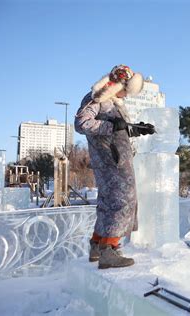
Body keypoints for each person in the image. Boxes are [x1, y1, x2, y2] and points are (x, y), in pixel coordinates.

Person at [75, 65, 155, 269]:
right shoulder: (97, 98)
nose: (126, 96)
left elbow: (119, 129)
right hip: (110, 160)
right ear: (117, 84)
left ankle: (98, 245)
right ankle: (109, 251)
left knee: (109, 201)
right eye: (125, 90)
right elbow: (82, 124)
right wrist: (112, 126)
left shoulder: (112, 102)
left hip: (116, 158)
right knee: (122, 200)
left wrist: (137, 129)